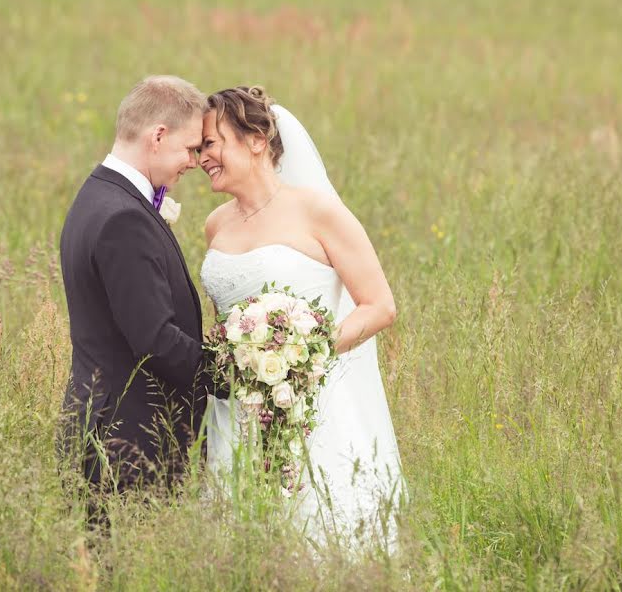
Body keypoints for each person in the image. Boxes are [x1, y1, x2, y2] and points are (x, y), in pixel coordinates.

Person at [199, 86, 406, 551]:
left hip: (312, 401)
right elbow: (224, 323)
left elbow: (379, 305)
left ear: (255, 139)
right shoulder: (216, 224)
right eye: (198, 148)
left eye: (212, 143)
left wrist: (303, 353)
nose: (202, 157)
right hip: (238, 407)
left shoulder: (319, 212)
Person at [58, 75, 217, 495]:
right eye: (190, 148)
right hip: (129, 443)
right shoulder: (123, 218)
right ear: (158, 136)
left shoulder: (97, 194)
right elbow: (155, 340)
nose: (195, 161)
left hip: (104, 427)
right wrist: (233, 374)